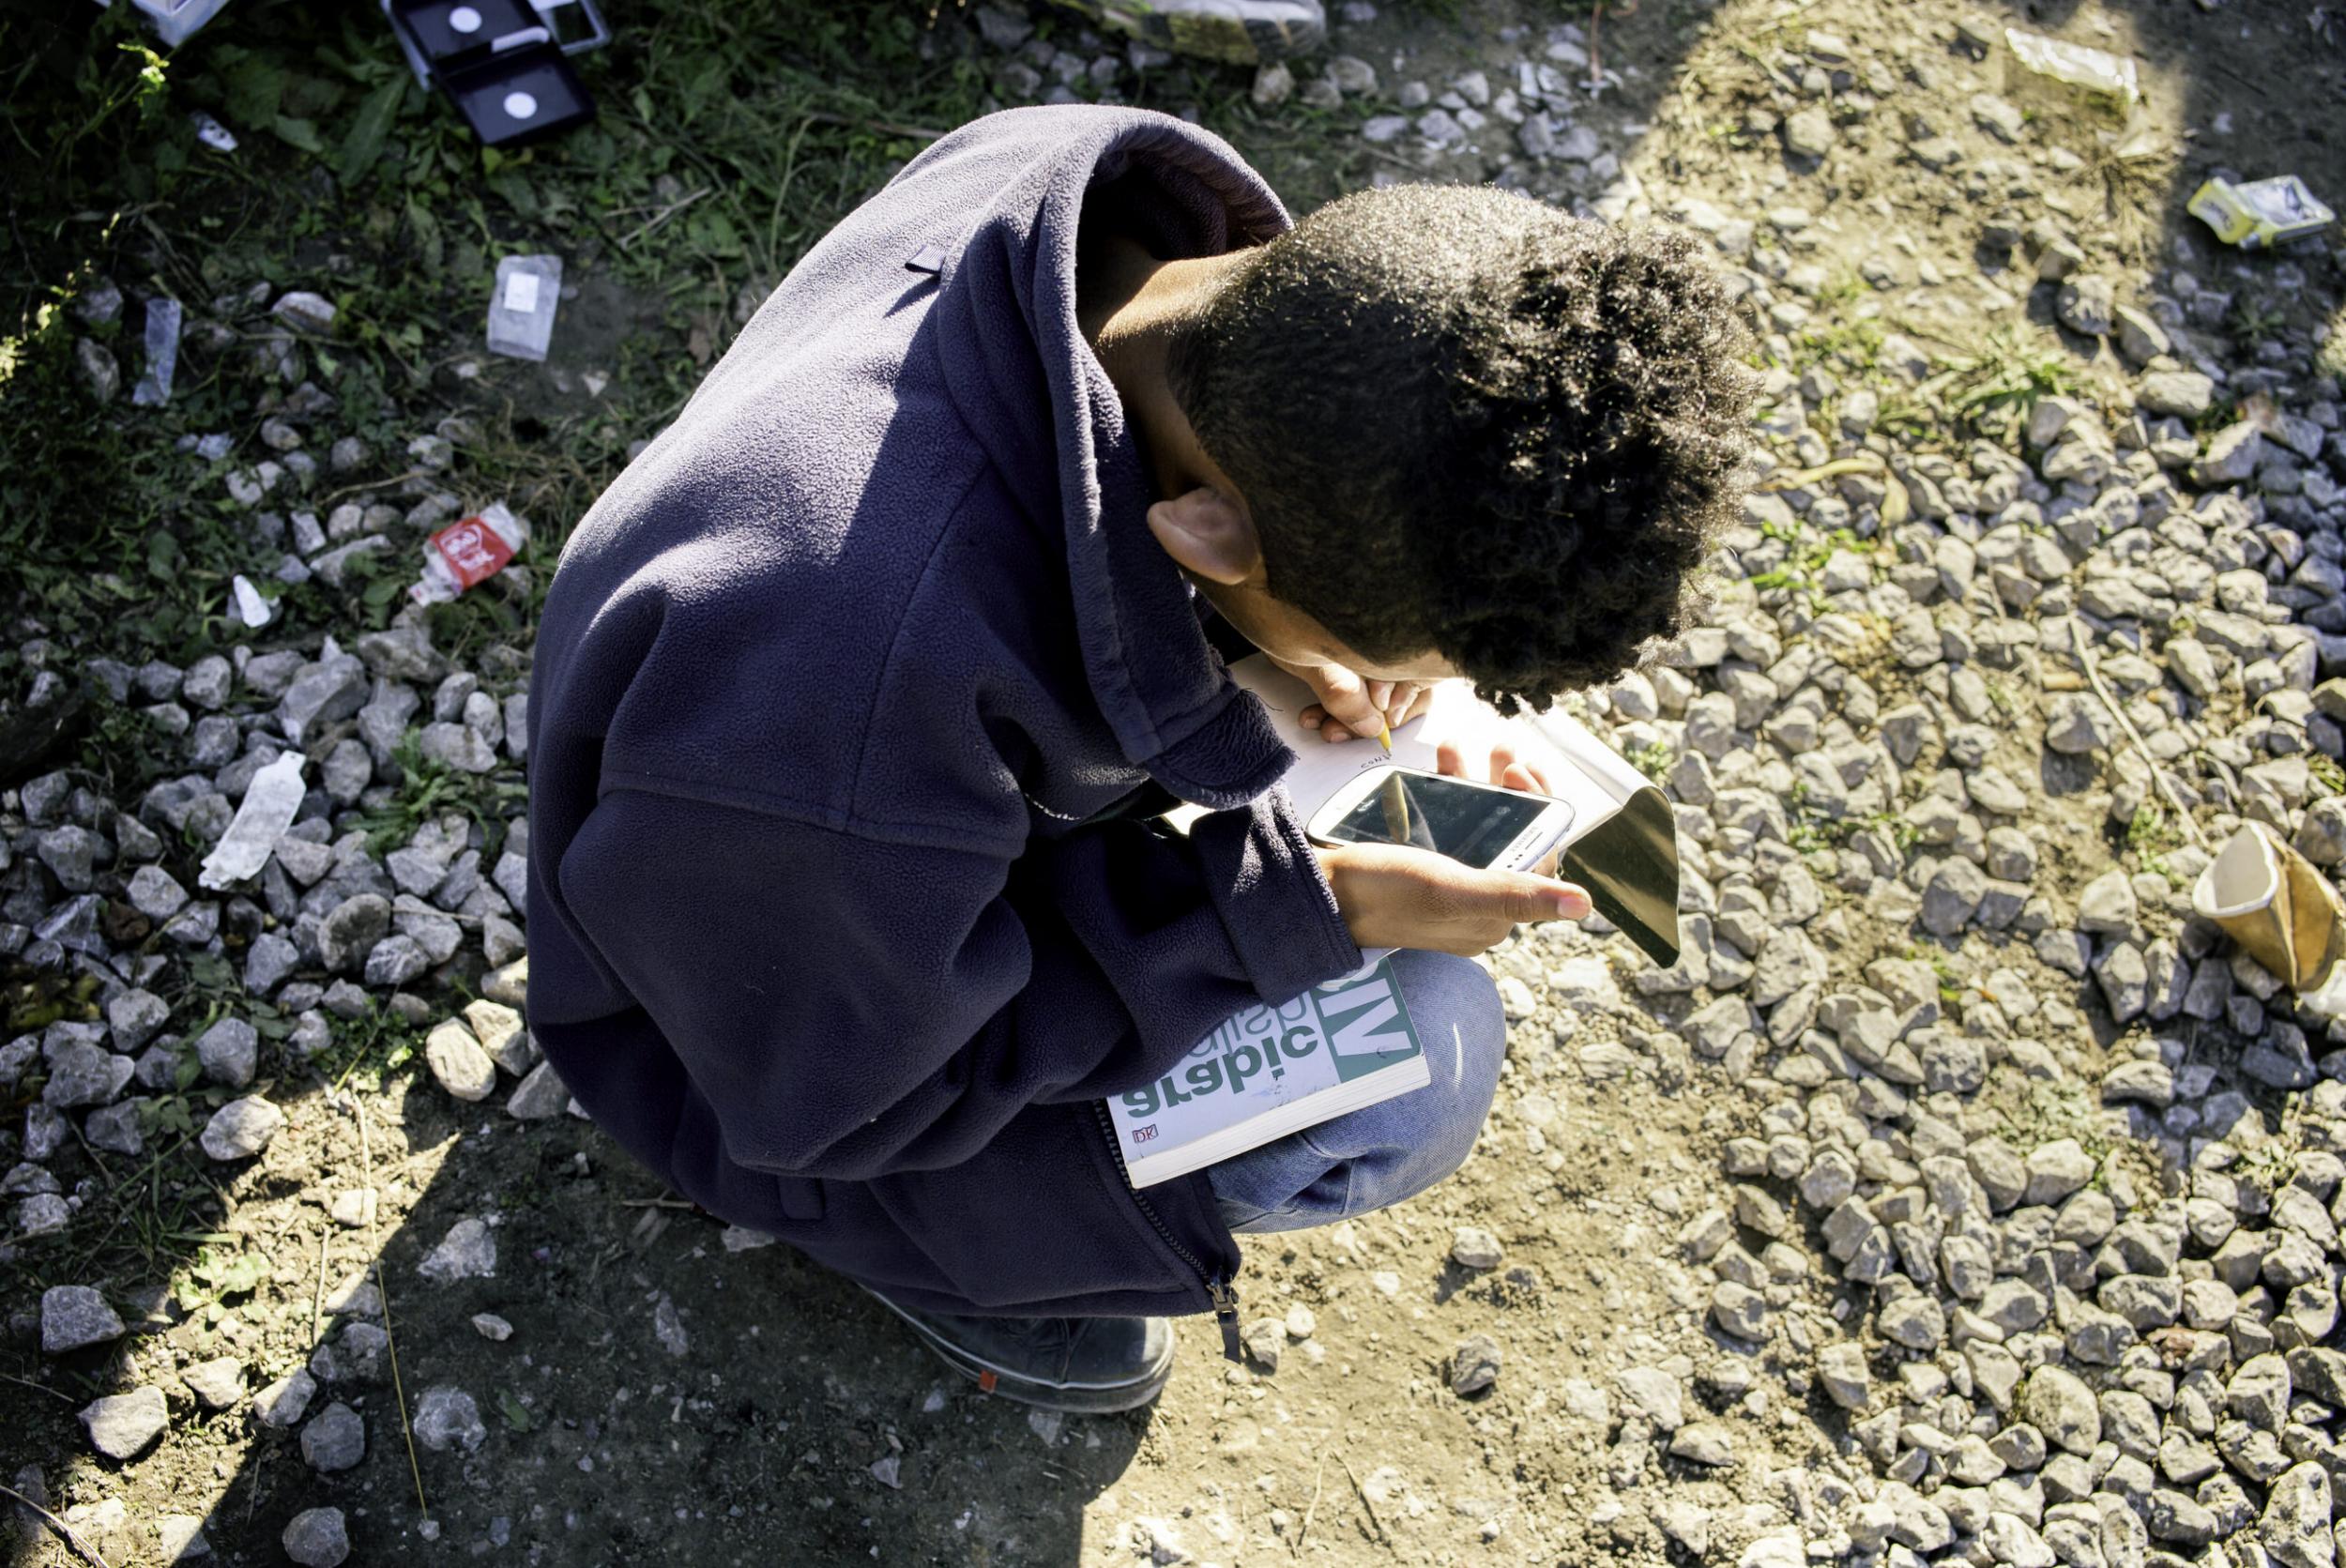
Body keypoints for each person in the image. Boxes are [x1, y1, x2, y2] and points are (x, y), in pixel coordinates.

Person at [527, 104, 1752, 1413]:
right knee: (1425, 1058)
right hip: (766, 1045)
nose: (1388, 695)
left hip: (811, 845)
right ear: (1207, 533)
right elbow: (853, 1099)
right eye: (1363, 642)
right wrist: (1288, 913)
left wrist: (1274, 629)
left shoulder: (1117, 229)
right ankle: (929, 1264)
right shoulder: (849, 698)